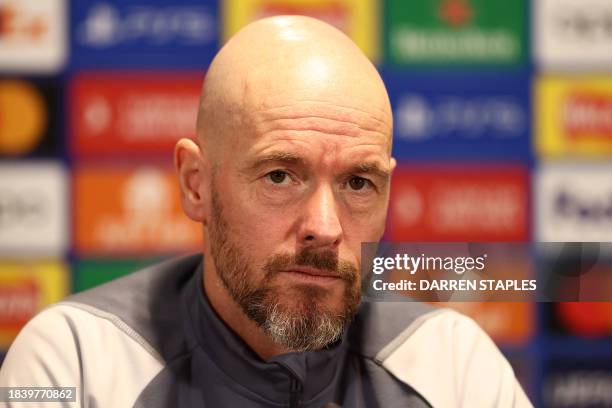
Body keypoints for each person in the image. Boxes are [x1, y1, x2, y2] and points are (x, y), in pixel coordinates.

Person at [0, 16, 531, 407]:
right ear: (196, 184)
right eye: (280, 175)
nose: (325, 228)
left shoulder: (455, 368)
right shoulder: (72, 361)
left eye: (358, 183)